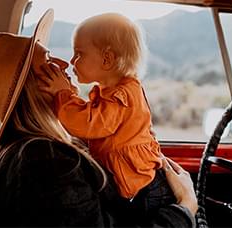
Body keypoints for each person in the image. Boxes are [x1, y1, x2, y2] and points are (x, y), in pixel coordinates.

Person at [0, 9, 198, 227]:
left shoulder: (32, 153)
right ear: (32, 88)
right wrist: (185, 209)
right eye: (48, 62)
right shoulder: (46, 163)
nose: (63, 63)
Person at [39, 12, 177, 221]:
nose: (72, 61)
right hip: (136, 184)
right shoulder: (112, 93)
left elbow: (88, 124)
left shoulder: (122, 95)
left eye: (79, 54)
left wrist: (62, 94)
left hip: (145, 189)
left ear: (107, 59)